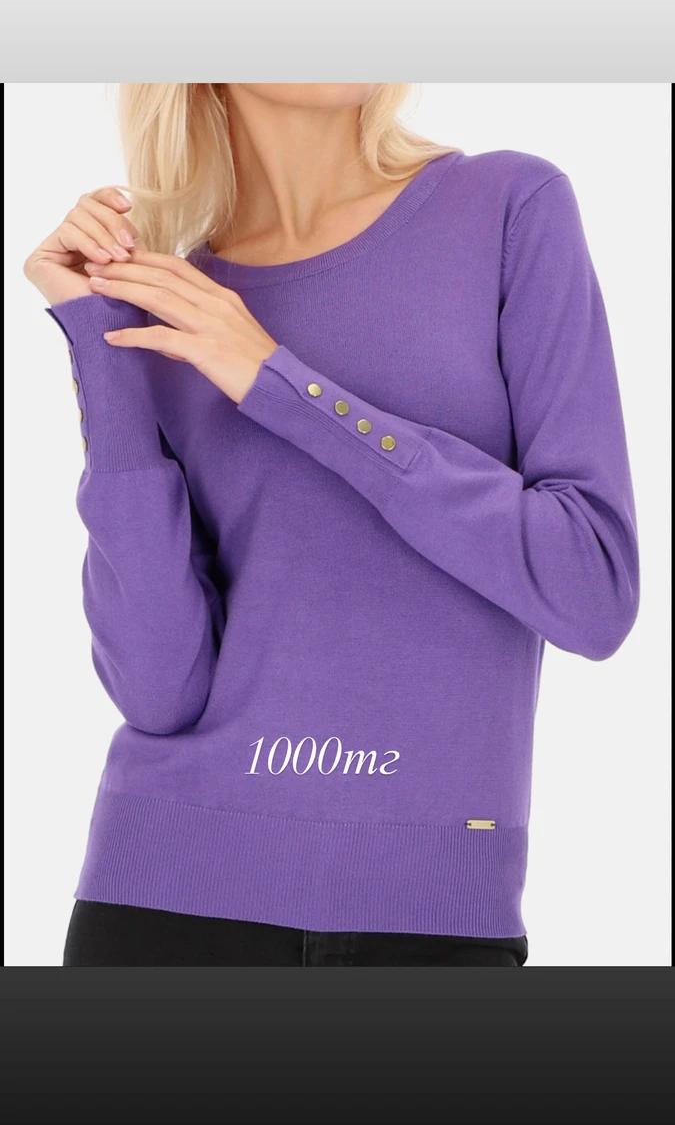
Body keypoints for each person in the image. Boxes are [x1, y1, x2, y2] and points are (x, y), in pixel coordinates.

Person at [23, 83, 639, 966]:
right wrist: (99, 340)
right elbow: (159, 688)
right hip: (162, 896)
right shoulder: (175, 304)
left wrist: (278, 382)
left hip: (432, 913)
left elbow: (591, 589)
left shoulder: (508, 205)